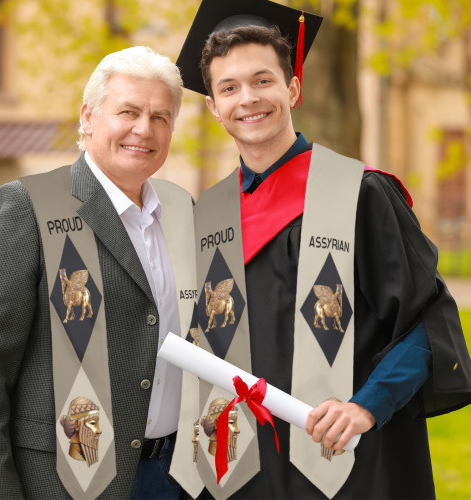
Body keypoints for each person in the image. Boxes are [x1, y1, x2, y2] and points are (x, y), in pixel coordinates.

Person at [170, 0, 471, 498]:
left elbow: (428, 324)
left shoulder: (360, 193)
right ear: (213, 106)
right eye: (229, 88)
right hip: (242, 474)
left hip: (346, 464)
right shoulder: (208, 217)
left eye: (263, 80)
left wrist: (366, 406)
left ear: (292, 88)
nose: (248, 98)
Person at [0, 46, 197, 499]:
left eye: (160, 117)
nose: (143, 129)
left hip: (172, 477)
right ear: (88, 117)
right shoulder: (28, 207)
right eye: (128, 111)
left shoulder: (182, 210)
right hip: (62, 482)